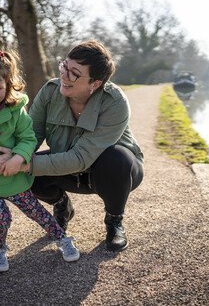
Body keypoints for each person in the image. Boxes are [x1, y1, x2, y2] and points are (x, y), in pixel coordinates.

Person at [19, 40, 144, 252]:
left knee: (115, 158)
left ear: (94, 83)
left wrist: (24, 165)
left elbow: (81, 158)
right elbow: (30, 136)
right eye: (64, 66)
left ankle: (114, 221)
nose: (64, 76)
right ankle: (62, 206)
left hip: (113, 173)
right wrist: (15, 159)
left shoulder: (115, 102)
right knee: (27, 170)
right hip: (70, 167)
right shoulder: (50, 92)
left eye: (74, 73)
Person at [0, 49, 80, 272]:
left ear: (7, 86)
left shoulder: (17, 112)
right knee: (1, 218)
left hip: (14, 175)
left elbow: (28, 138)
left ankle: (62, 238)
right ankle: (0, 248)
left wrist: (18, 157)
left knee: (37, 212)